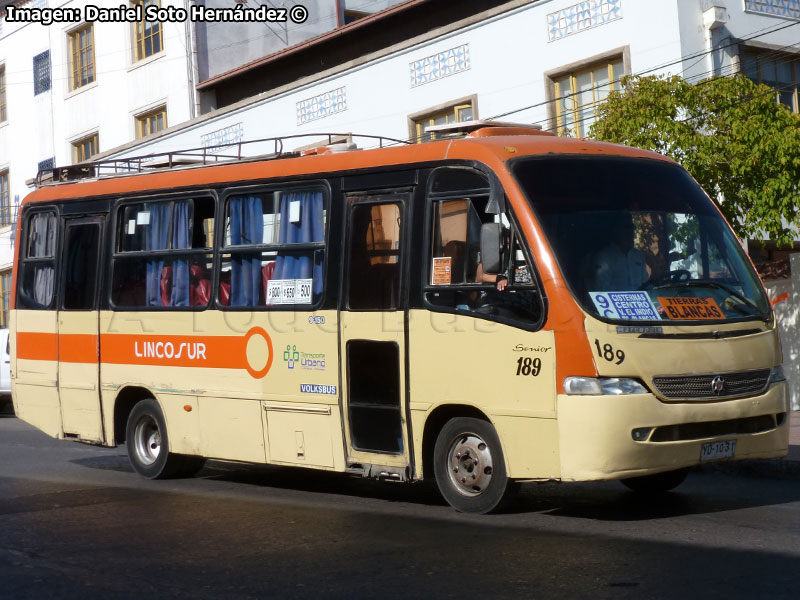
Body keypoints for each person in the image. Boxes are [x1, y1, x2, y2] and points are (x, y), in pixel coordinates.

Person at [586, 214, 648, 291]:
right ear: (616, 230)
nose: (631, 232)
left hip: (641, 301)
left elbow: (645, 284)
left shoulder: (639, 256)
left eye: (632, 227)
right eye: (626, 228)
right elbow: (601, 288)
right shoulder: (604, 257)